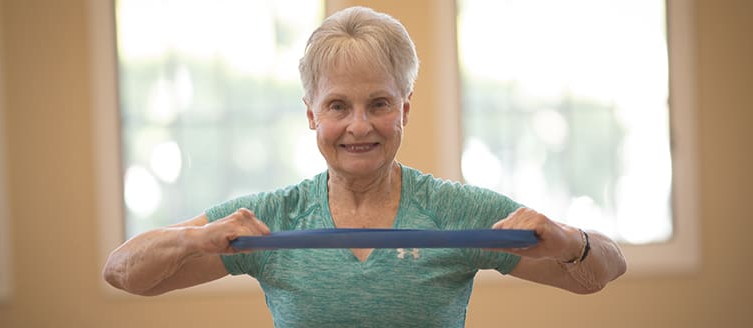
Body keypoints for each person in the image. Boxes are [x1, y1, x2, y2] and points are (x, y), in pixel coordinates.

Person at [103, 6, 627, 327]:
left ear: (405, 109)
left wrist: (566, 239)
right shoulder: (266, 222)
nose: (359, 126)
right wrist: (196, 238)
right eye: (338, 107)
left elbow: (601, 272)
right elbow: (125, 274)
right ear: (311, 113)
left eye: (378, 104)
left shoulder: (455, 211)